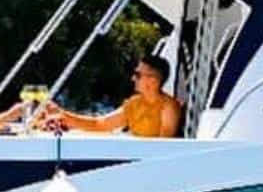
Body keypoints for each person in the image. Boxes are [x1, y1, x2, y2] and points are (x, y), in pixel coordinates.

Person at [55, 54, 184, 139]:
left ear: (153, 80)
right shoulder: (134, 103)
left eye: (138, 75)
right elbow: (101, 125)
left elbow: (163, 146)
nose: (133, 78)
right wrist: (61, 114)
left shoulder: (168, 107)